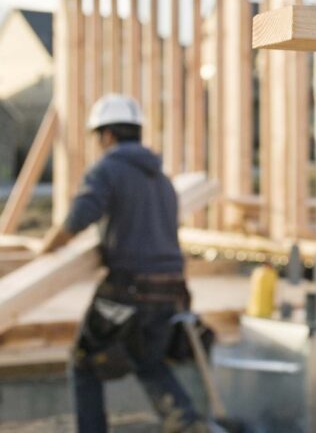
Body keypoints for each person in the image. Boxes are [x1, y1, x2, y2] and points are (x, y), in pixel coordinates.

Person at [41, 94, 206, 433]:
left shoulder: (108, 169)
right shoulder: (162, 180)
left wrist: (47, 248)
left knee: (84, 364)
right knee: (147, 361)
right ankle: (188, 424)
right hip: (170, 290)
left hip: (126, 291)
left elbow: (78, 218)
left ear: (106, 135)